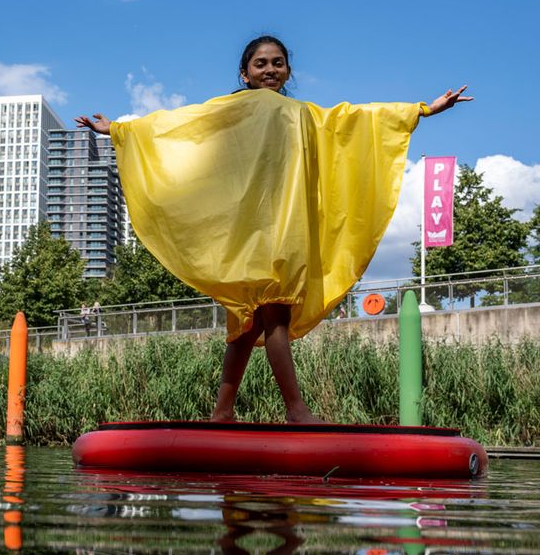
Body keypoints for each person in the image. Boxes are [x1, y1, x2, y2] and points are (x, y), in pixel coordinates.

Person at [76, 36, 471, 423]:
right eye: (260, 63)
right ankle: (296, 411)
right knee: (274, 314)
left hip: (286, 226)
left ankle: (222, 413)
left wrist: (422, 110)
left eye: (277, 62)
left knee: (247, 327)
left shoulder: (303, 114)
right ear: (244, 73)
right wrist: (118, 131)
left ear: (288, 71)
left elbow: (355, 119)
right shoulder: (229, 109)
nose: (269, 69)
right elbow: (178, 126)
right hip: (248, 230)